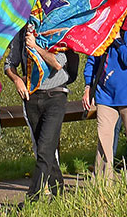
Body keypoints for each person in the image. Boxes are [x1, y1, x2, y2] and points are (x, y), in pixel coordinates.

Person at [5, 22, 76, 201]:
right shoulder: (21, 32)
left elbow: (57, 63)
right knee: (45, 149)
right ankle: (59, 194)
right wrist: (16, 80)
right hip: (32, 96)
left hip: (55, 95)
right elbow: (9, 64)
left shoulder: (57, 28)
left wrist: (35, 46)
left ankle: (32, 197)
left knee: (45, 148)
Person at [83, 30, 127, 182]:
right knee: (104, 140)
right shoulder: (102, 31)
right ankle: (102, 183)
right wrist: (88, 86)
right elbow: (92, 60)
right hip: (105, 95)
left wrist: (117, 40)